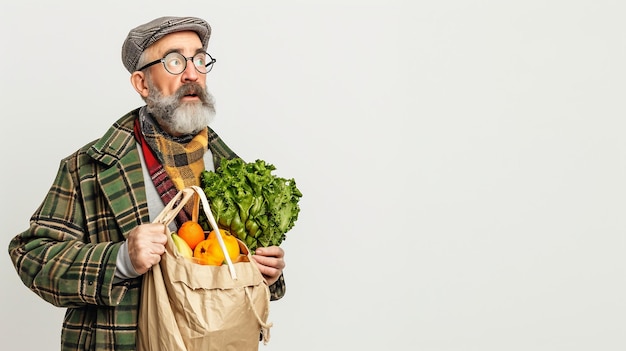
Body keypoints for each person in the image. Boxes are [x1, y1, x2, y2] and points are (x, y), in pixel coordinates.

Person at [8, 16, 286, 351]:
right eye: (174, 61)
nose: (191, 73)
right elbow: (31, 257)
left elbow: (237, 275)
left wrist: (266, 273)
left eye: (199, 59)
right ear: (142, 83)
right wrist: (121, 259)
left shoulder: (234, 171)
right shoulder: (89, 167)